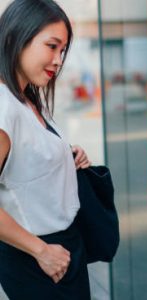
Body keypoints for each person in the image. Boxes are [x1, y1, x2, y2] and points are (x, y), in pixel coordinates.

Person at [0, 0, 92, 299]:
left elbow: (23, 159)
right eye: (52, 46)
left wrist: (66, 156)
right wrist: (41, 251)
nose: (58, 60)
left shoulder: (25, 97)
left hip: (58, 250)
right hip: (38, 256)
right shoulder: (3, 106)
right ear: (15, 36)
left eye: (62, 50)